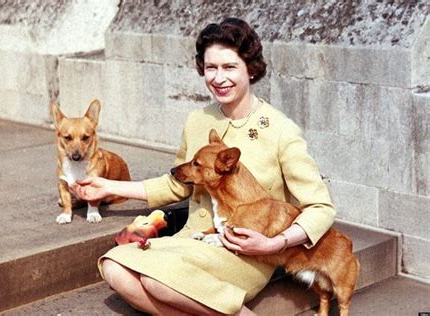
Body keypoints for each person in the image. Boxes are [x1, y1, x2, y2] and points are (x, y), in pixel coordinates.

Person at [71, 17, 336, 316]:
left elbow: (321, 207)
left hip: (246, 253)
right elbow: (176, 183)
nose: (219, 78)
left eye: (229, 67)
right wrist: (108, 186)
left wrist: (275, 242)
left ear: (250, 68)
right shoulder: (198, 121)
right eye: (211, 68)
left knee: (158, 284)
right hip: (194, 240)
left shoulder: (280, 130)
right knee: (113, 266)